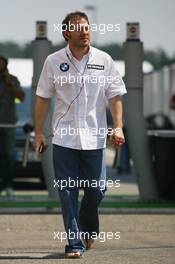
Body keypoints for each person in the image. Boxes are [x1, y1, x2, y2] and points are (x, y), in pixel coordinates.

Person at [35, 11, 127, 258]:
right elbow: (43, 97)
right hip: (64, 139)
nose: (84, 32)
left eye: (87, 28)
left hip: (95, 138)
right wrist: (39, 133)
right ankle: (74, 243)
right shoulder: (53, 61)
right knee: (67, 191)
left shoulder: (104, 59)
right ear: (66, 33)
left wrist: (117, 125)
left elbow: (115, 95)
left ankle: (88, 229)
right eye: (78, 28)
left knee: (97, 189)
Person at [0, 56, 25, 196]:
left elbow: (21, 98)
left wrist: (9, 84)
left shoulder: (12, 79)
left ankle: (8, 185)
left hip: (9, 124)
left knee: (9, 155)